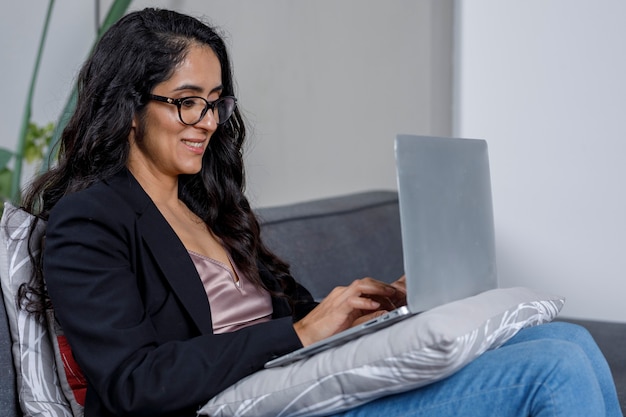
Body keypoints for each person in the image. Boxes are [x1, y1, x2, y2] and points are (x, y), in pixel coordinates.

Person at [19, 8, 621, 417]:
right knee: (553, 366)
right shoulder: (90, 221)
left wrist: (372, 313)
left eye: (214, 103)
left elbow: (295, 325)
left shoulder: (211, 208)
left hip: (303, 391)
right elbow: (132, 383)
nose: (206, 121)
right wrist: (301, 333)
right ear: (128, 108)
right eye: (185, 102)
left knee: (561, 338)